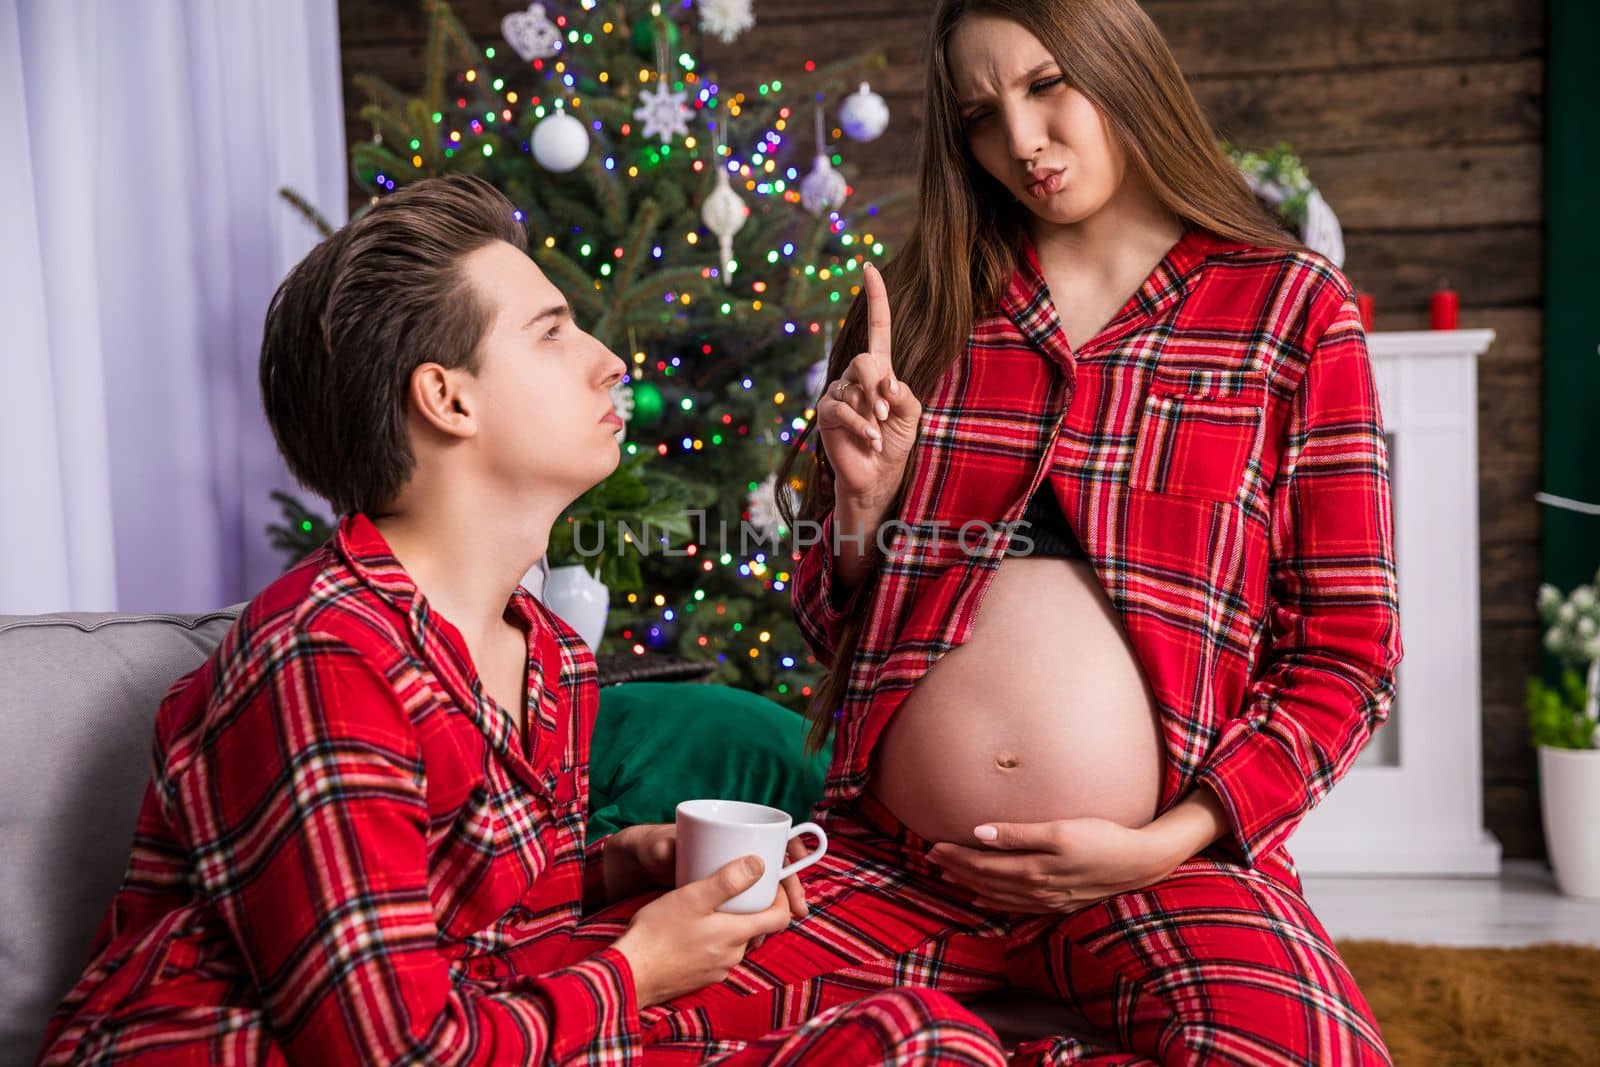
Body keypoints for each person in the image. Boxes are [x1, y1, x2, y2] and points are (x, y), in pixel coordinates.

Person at [572, 1, 1403, 1063]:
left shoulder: (1288, 310)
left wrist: (1166, 839)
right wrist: (863, 512)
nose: (1020, 141)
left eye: (1047, 85)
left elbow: (1349, 651)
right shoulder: (919, 311)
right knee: (606, 1011)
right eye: (979, 113)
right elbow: (833, 626)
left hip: (1168, 874)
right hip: (901, 864)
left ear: (1123, 67)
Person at [35, 175, 1009, 1067]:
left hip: (497, 1022)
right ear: (447, 397)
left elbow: (474, 922)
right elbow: (393, 1051)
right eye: (551, 331)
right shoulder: (327, 658)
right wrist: (635, 972)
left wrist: (618, 863)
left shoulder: (542, 652)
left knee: (915, 1030)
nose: (608, 361)